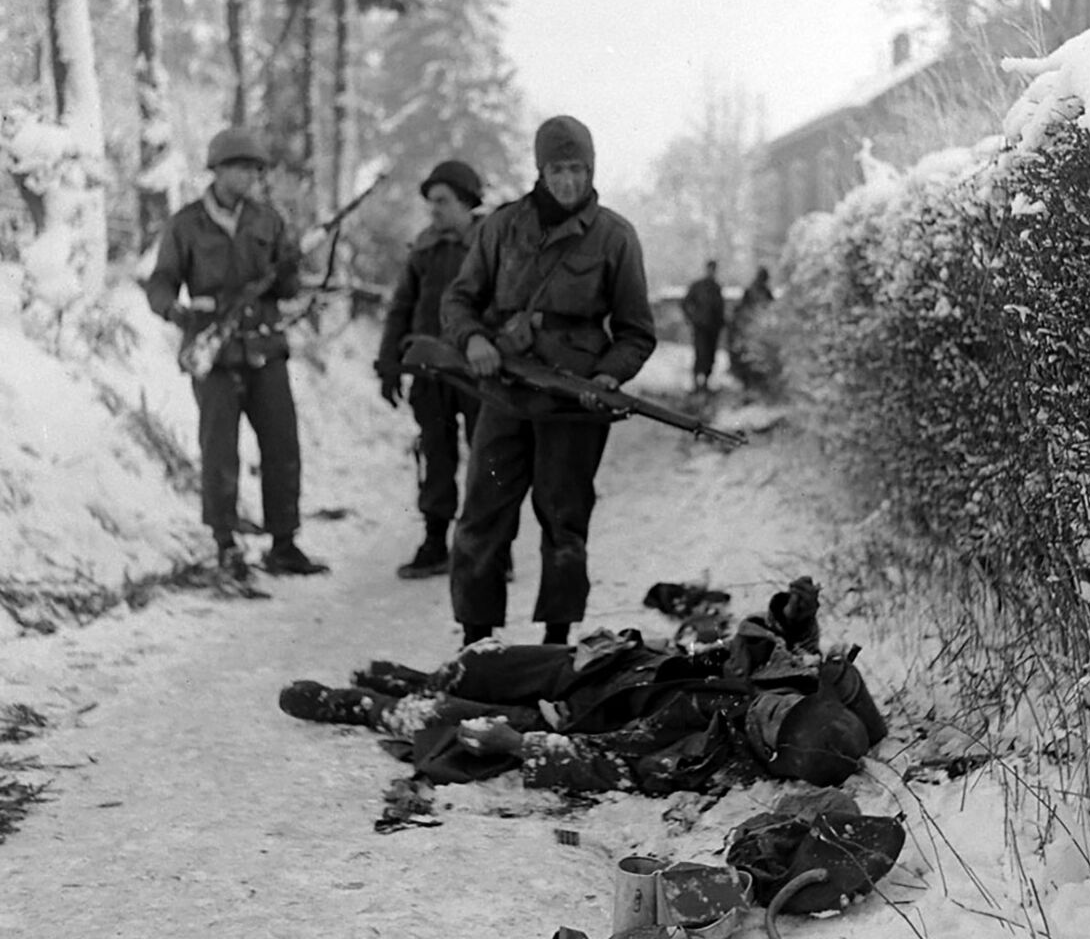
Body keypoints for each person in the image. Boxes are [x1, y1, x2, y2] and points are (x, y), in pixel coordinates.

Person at [278, 576, 889, 793]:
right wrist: (795, 615)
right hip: (614, 665)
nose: (767, 711)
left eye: (772, 726)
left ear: (772, 752)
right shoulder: (796, 681)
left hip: (575, 720)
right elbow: (777, 642)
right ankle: (421, 677)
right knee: (481, 661)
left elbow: (610, 766)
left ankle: (357, 706)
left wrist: (519, 746)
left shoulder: (710, 757)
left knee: (447, 718)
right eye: (781, 708)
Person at [440, 115, 656, 647]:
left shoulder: (615, 237)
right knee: (482, 516)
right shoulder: (501, 228)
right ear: (540, 170)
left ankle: (557, 643)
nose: (568, 181)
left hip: (573, 404)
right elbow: (459, 299)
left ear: (591, 170)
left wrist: (607, 375)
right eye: (557, 169)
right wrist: (474, 340)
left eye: (578, 169)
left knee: (565, 522)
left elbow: (636, 332)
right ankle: (477, 640)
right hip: (505, 394)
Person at [145, 126, 327, 579]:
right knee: (219, 452)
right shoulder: (186, 223)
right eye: (242, 168)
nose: (250, 177)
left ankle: (284, 543)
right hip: (215, 354)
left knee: (282, 447)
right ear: (218, 170)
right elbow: (162, 280)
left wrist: (291, 270)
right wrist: (175, 311)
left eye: (255, 169)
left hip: (264, 348)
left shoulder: (268, 220)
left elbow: (287, 287)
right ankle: (225, 544)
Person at [377, 161, 485, 579]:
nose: (434, 210)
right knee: (435, 456)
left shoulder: (490, 246)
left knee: (488, 457)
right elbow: (401, 307)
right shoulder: (423, 250)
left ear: (467, 202)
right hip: (429, 371)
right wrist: (389, 365)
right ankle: (435, 542)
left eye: (442, 201)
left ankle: (491, 545)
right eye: (431, 202)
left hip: (478, 371)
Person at [681, 259, 726, 393]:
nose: (711, 272)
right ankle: (696, 383)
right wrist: (692, 318)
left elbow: (720, 309)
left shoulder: (716, 288)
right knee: (700, 353)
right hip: (700, 327)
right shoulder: (698, 286)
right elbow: (685, 303)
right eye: (710, 269)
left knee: (710, 355)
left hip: (713, 328)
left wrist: (721, 323)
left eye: (713, 269)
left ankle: (705, 382)